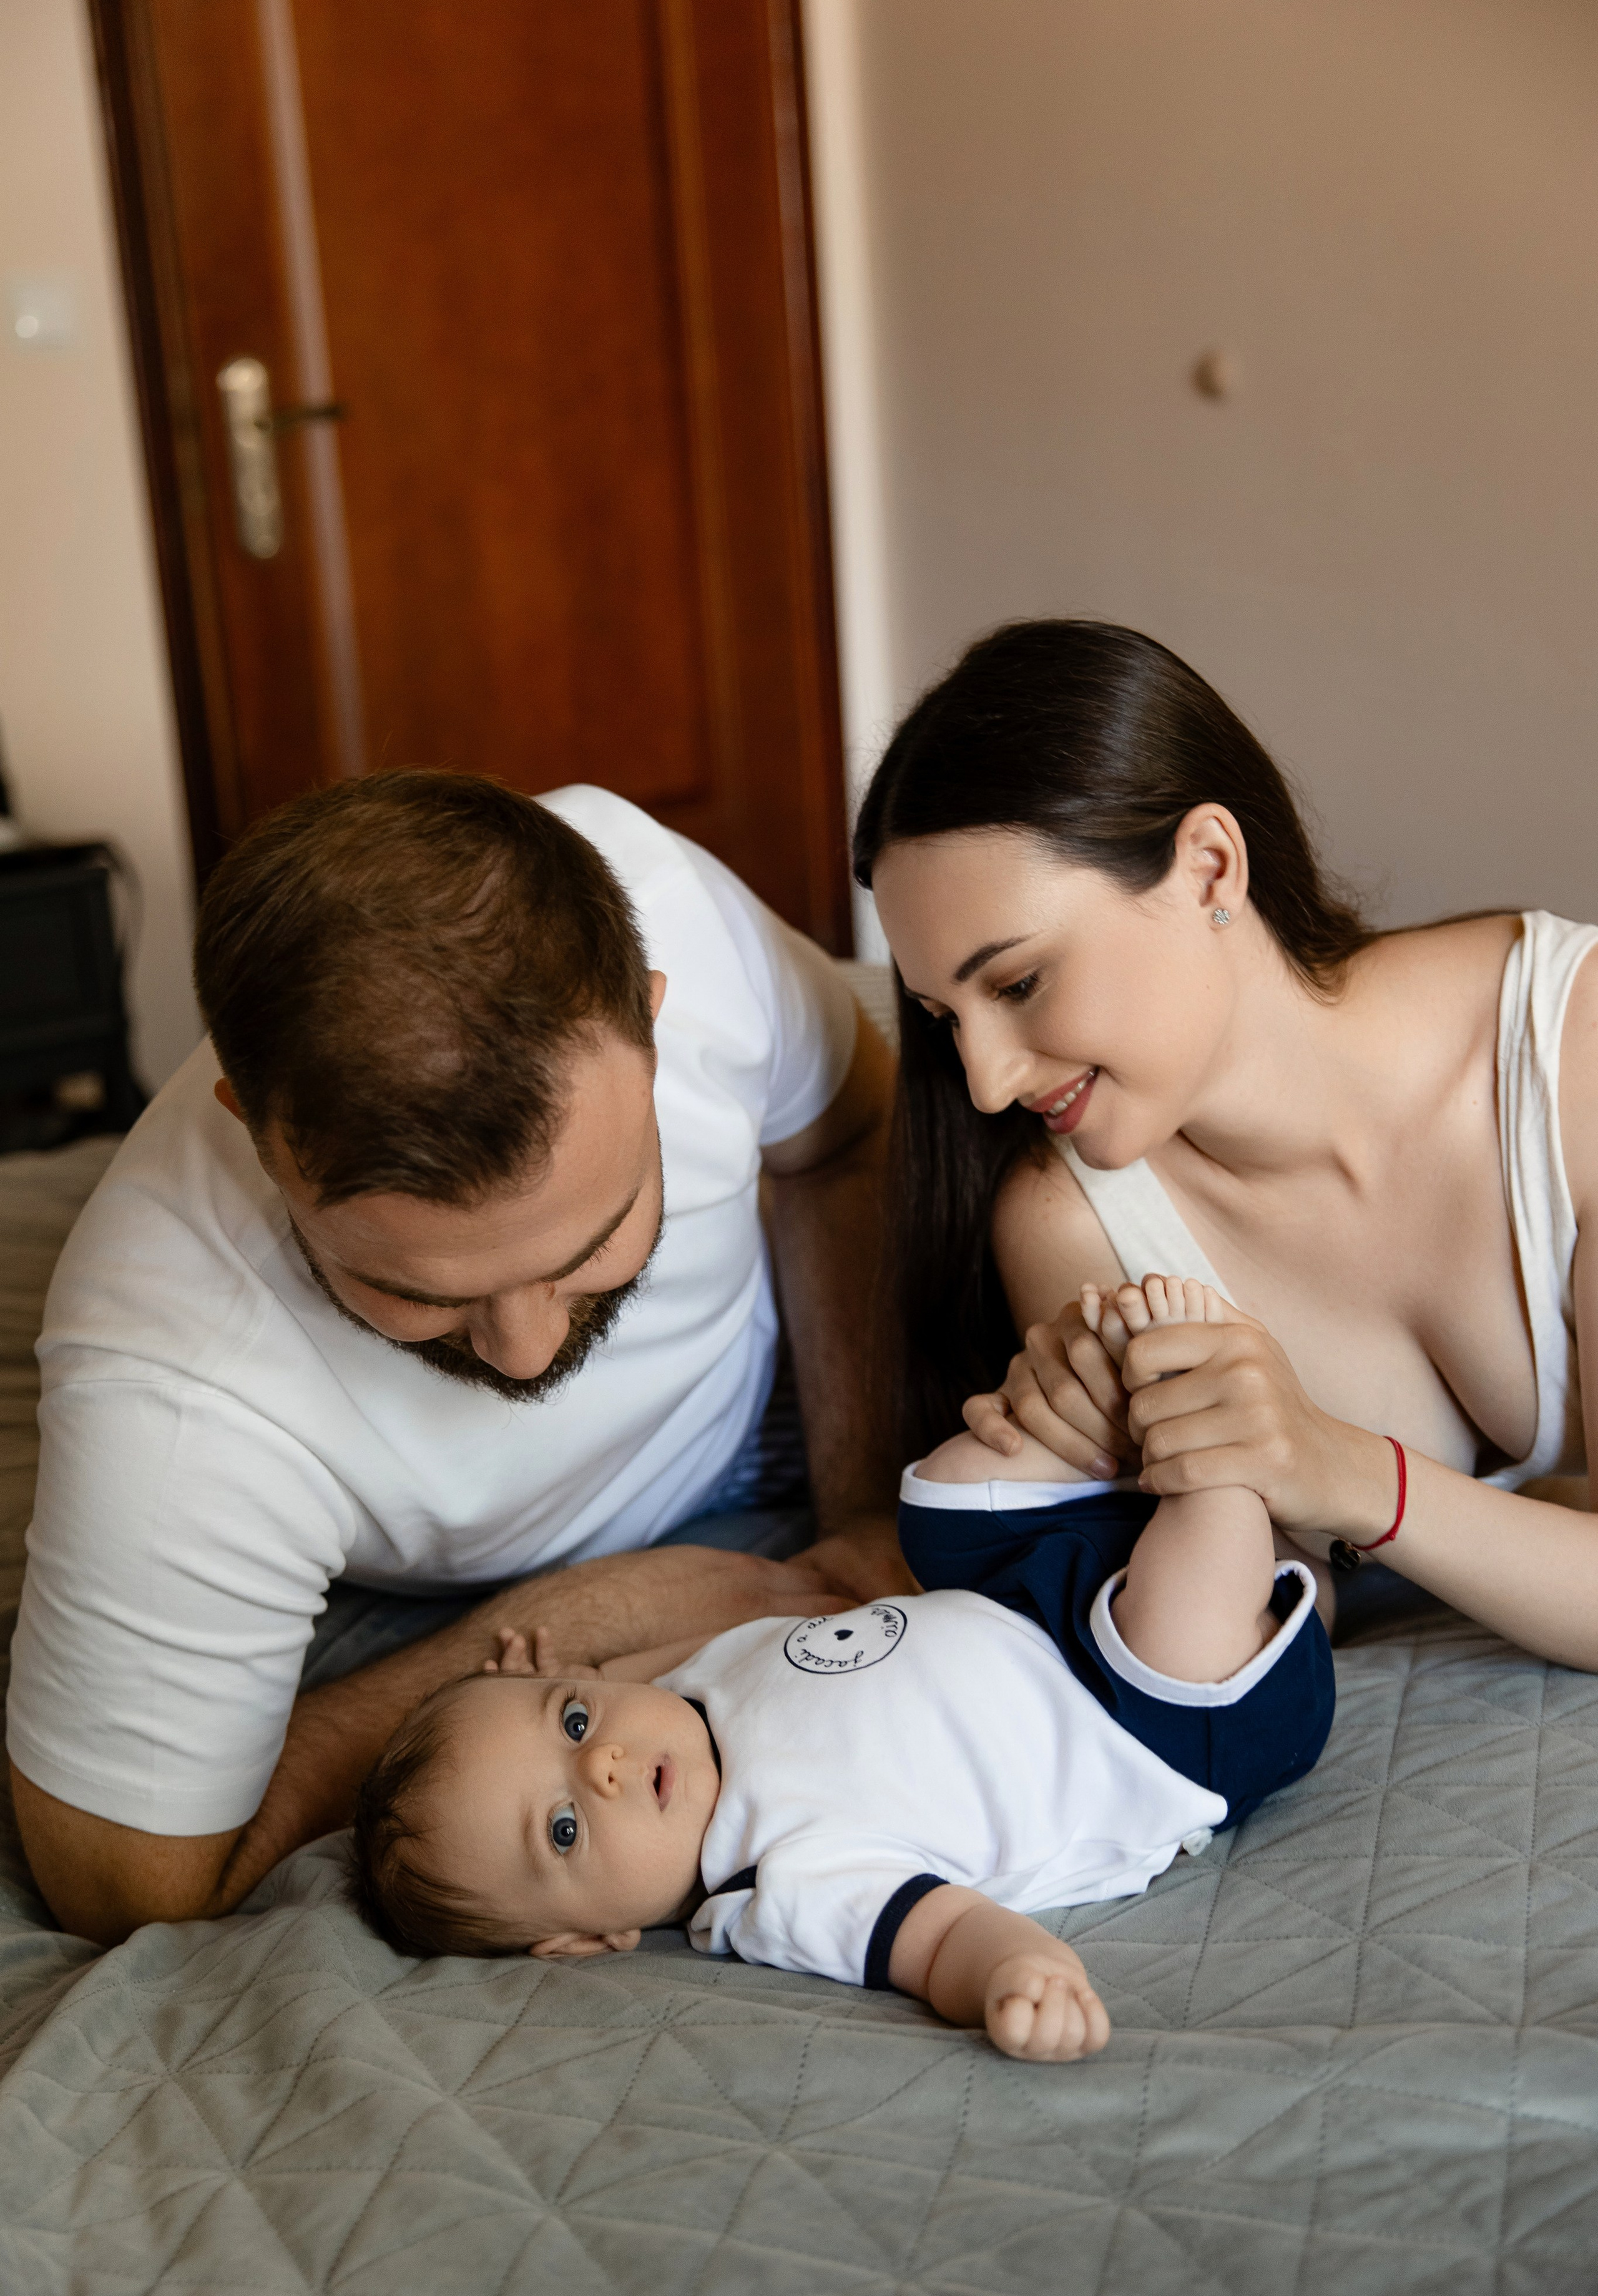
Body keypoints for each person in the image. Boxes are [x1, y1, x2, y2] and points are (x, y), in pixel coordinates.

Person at [9, 773, 906, 1944]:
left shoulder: (664, 896)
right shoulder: (169, 1376)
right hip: (501, 1594)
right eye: (413, 1292)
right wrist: (561, 1627)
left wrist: (858, 1509)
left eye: (592, 1245)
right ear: (256, 1133)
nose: (531, 1354)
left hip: (797, 1386)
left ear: (653, 1017)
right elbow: (133, 1885)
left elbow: (844, 1135)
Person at [851, 618, 1598, 1666]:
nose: (984, 1084)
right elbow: (1261, 1640)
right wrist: (1123, 1466)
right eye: (944, 1018)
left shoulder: (1574, 1058)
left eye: (1019, 983)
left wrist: (1342, 1468)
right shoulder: (1075, 1224)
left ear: (1210, 867)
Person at [347, 1275, 1334, 2059]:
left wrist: (555, 1669)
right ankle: (1217, 1453)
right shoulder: (776, 1884)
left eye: (571, 1724)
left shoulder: (682, 1696)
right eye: (563, 1829)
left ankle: (1117, 1432)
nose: (600, 1766)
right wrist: (1014, 1971)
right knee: (1180, 1610)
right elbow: (936, 1937)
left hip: (1041, 1600)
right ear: (583, 1942)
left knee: (939, 1496)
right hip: (1157, 1726)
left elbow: (624, 1675)